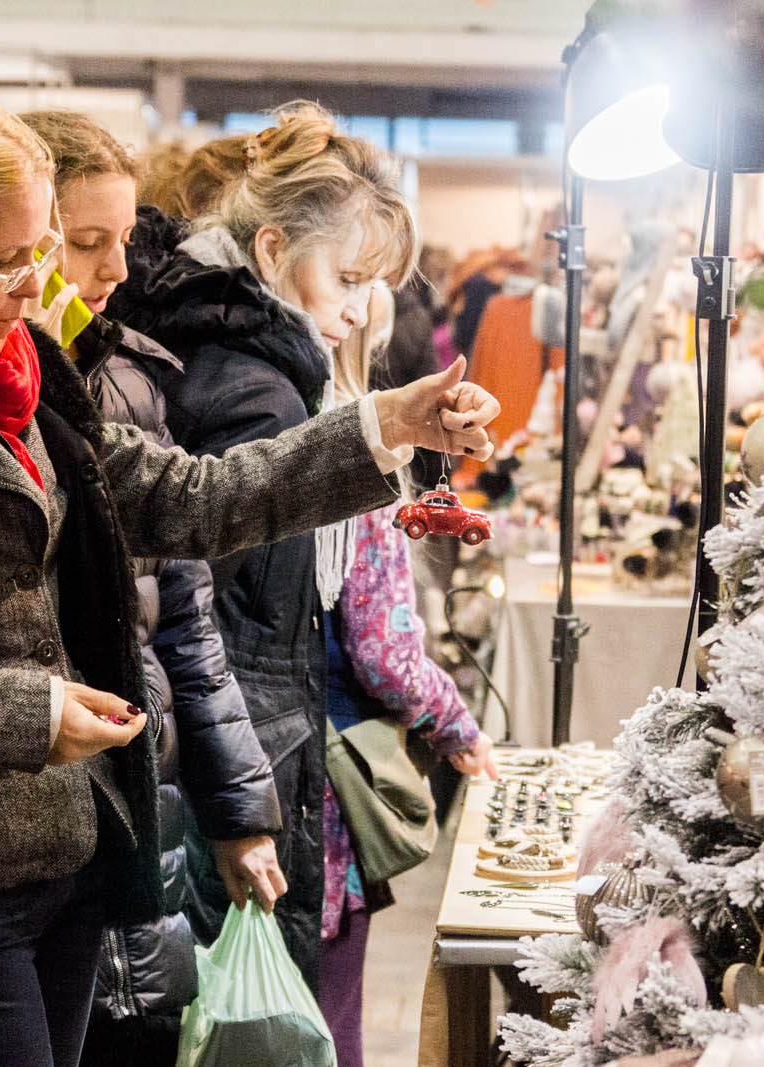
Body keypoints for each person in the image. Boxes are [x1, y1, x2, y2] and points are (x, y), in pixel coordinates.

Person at [0, 70, 497, 1067]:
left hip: (64, 867)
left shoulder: (22, 369)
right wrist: (20, 713)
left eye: (42, 249)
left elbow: (185, 497)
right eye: (7, 259)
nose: (40, 286)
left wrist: (378, 428)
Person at [105, 101, 420, 993]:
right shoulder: (260, 395)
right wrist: (240, 808)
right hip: (229, 774)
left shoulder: (214, 353)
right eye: (350, 279)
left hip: (213, 767)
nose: (361, 312)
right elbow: (191, 626)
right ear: (275, 252)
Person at [17, 107, 284, 1067]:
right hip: (24, 832)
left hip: (139, 802)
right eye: (87, 243)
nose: (116, 271)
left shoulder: (127, 381)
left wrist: (237, 809)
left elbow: (186, 619)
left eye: (124, 240)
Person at [317, 284, 499, 1067]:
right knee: (326, 1018)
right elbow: (386, 650)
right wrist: (457, 725)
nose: (356, 307)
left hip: (261, 761)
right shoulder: (347, 453)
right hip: (322, 769)